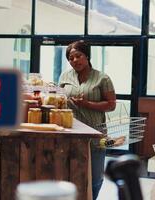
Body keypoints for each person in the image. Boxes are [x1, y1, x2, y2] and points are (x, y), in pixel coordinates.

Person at [59, 40, 116, 200]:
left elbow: (111, 105)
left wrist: (87, 104)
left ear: (87, 56)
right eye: (71, 58)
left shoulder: (102, 78)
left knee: (95, 177)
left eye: (79, 56)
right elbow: (59, 97)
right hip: (70, 131)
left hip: (96, 134)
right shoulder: (65, 76)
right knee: (70, 173)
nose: (75, 60)